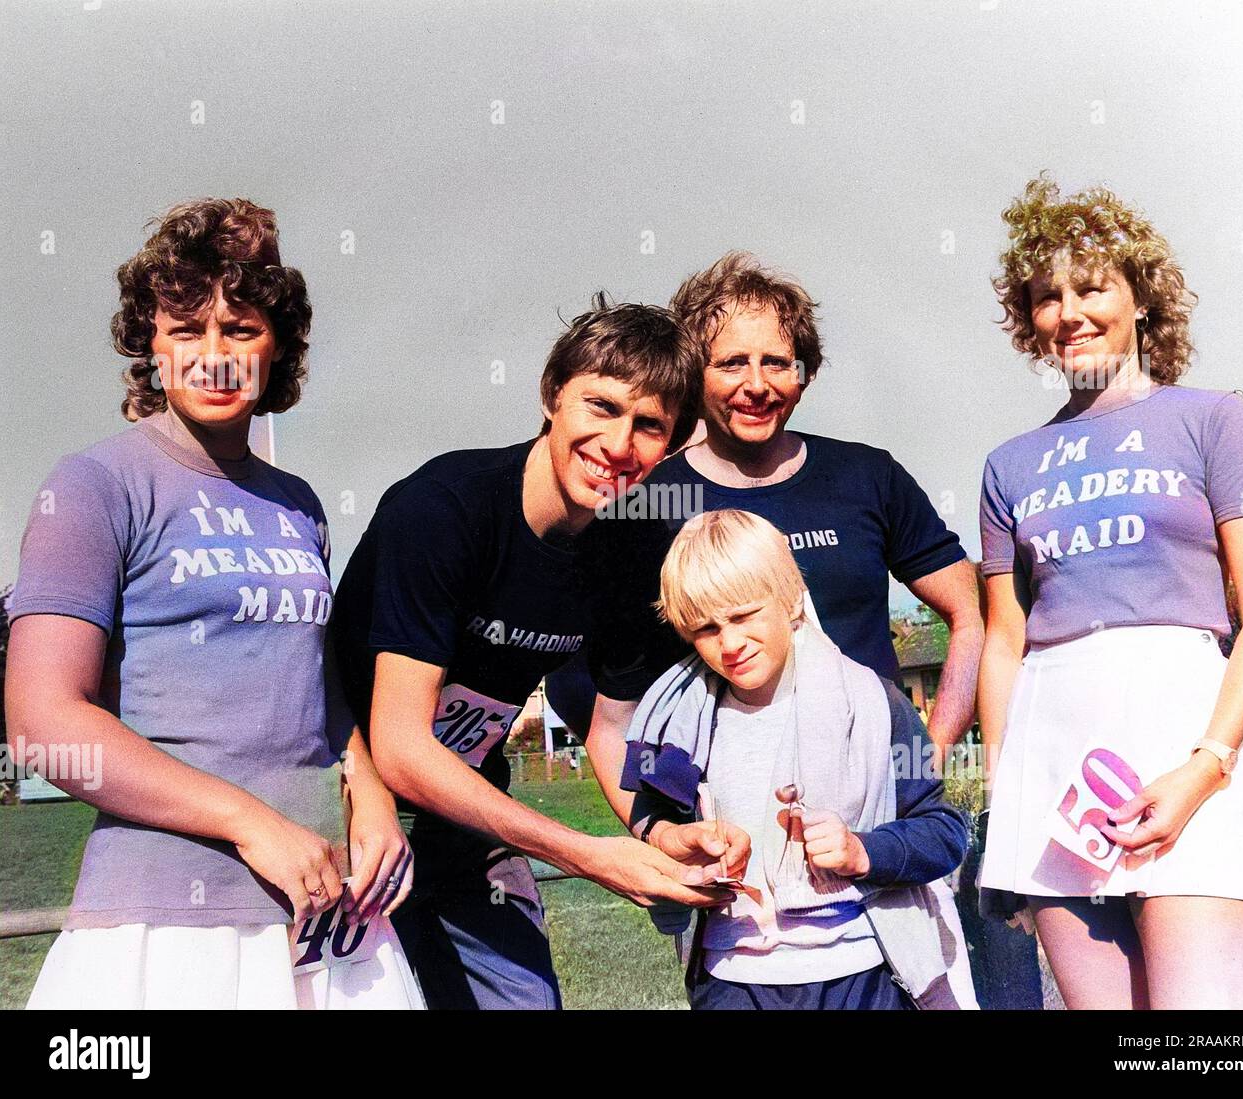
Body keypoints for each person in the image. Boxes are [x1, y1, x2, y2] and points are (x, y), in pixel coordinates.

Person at [9, 198, 422, 1009]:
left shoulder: (298, 501)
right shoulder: (94, 484)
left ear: (279, 347)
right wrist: (251, 823)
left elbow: (318, 691)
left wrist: (370, 793)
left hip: (329, 912)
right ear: (150, 343)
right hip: (169, 925)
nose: (214, 355)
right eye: (186, 328)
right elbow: (41, 723)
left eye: (241, 329)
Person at [580, 252, 984, 1003]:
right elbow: (612, 720)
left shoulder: (865, 476)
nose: (756, 383)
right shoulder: (648, 499)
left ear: (804, 372)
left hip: (874, 878)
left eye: (778, 361)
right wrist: (658, 837)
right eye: (732, 362)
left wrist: (922, 752)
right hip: (746, 920)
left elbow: (968, 611)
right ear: (695, 372)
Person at [330, 296, 742, 1009]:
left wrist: (658, 829)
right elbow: (398, 744)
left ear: (673, 444)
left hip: (464, 819)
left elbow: (611, 728)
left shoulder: (631, 546)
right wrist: (590, 856)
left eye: (649, 425)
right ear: (553, 395)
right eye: (601, 407)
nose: (619, 444)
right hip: (342, 811)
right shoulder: (444, 509)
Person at [977, 174, 1243, 1009]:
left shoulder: (1214, 419)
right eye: (1047, 296)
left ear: (1141, 297)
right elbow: (1004, 639)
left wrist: (1207, 765)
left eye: (1091, 286)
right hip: (1054, 767)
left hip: (1185, 745)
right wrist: (1009, 801)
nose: (1069, 312)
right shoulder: (1008, 465)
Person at [620, 510, 969, 1009]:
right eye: (706, 629)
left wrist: (863, 852)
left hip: (860, 972)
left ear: (788, 600)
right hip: (732, 978)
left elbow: (943, 830)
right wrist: (676, 838)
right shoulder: (679, 720)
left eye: (743, 616)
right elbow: (651, 817)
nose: (730, 644)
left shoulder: (872, 702)